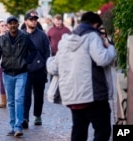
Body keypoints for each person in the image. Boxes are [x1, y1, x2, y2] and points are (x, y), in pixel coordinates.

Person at [46, 11, 116, 141]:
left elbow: (53, 68)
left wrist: (49, 60)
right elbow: (102, 59)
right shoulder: (92, 37)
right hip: (93, 95)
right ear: (95, 25)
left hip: (73, 97)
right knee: (103, 131)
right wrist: (110, 48)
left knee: (79, 130)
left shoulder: (66, 41)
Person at [0, 16, 37, 137]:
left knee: (19, 99)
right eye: (10, 24)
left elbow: (34, 51)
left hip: (21, 73)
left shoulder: (24, 37)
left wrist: (26, 62)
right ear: (7, 25)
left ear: (17, 24)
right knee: (11, 102)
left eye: (14, 23)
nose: (12, 26)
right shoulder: (3, 38)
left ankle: (18, 127)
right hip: (7, 73)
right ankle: (12, 127)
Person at [22, 11, 50, 128]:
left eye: (35, 19)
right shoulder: (21, 34)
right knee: (25, 95)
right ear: (26, 21)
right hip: (25, 70)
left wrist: (46, 67)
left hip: (39, 70)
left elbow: (47, 52)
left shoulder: (42, 35)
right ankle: (25, 118)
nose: (34, 21)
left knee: (38, 95)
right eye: (31, 19)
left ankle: (37, 115)